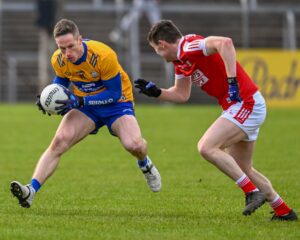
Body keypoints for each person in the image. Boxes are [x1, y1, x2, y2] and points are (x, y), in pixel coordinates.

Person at [134, 19, 298, 221]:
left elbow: (225, 43)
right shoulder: (180, 62)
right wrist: (157, 92)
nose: (159, 56)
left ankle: (251, 192)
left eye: (156, 50)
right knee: (243, 168)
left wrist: (232, 81)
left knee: (206, 147)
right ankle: (283, 210)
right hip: (236, 107)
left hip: (246, 103)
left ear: (162, 44)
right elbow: (181, 94)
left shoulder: (189, 45)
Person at [10, 18, 161, 208]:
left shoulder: (104, 55)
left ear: (80, 39)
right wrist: (48, 98)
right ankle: (30, 190)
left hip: (117, 102)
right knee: (59, 141)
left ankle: (144, 163)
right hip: (85, 105)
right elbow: (62, 80)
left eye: (71, 47)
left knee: (134, 145)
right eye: (62, 48)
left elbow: (114, 94)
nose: (67, 53)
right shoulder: (58, 58)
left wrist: (80, 100)